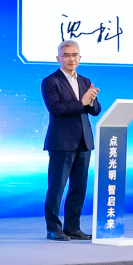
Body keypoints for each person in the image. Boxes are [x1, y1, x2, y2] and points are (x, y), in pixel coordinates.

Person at [41, 40, 101, 241]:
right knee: (57, 187)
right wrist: (81, 102)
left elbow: (95, 110)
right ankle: (53, 229)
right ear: (58, 58)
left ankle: (72, 228)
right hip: (61, 142)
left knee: (79, 187)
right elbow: (56, 109)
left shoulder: (85, 81)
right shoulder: (51, 81)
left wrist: (91, 101)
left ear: (80, 58)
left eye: (74, 55)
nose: (71, 59)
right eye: (66, 55)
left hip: (84, 141)